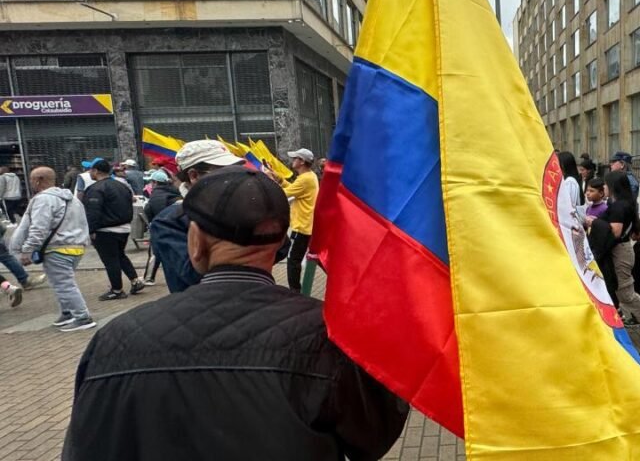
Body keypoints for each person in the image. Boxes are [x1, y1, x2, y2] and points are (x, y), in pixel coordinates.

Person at [62, 167, 409, 460]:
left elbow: (86, 447)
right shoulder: (330, 334)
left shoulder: (114, 340)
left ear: (196, 240)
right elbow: (373, 436)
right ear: (280, 243)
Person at [151, 140, 245, 293]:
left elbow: (279, 250)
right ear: (194, 175)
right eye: (224, 173)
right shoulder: (169, 221)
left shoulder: (243, 207)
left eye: (237, 172)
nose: (234, 180)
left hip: (250, 301)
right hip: (200, 304)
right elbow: (193, 273)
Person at [10, 167, 94, 331]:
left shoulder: (43, 200)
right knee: (61, 283)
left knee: (64, 284)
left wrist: (27, 250)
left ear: (38, 180)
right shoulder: (72, 199)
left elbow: (38, 228)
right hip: (76, 246)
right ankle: (67, 312)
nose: (30, 183)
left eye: (31, 179)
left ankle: (82, 317)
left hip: (57, 248)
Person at [586, 171, 640, 342]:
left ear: (612, 186)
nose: (603, 187)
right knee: (619, 291)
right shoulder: (621, 203)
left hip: (620, 253)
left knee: (626, 293)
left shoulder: (619, 206)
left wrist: (594, 222)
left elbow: (615, 232)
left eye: (605, 184)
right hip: (619, 251)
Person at [81, 158, 144, 300]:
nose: (89, 173)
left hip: (105, 230)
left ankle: (117, 290)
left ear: (96, 171)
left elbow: (93, 212)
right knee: (120, 256)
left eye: (90, 170)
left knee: (110, 260)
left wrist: (91, 230)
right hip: (124, 228)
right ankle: (135, 281)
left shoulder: (95, 189)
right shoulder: (122, 186)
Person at [264, 148, 319, 292]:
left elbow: (283, 194)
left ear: (302, 162)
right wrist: (279, 179)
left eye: (295, 158)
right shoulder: (309, 176)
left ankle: (294, 291)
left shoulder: (305, 179)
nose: (292, 161)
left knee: (292, 260)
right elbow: (293, 189)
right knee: (293, 255)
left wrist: (269, 180)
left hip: (301, 227)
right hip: (305, 226)